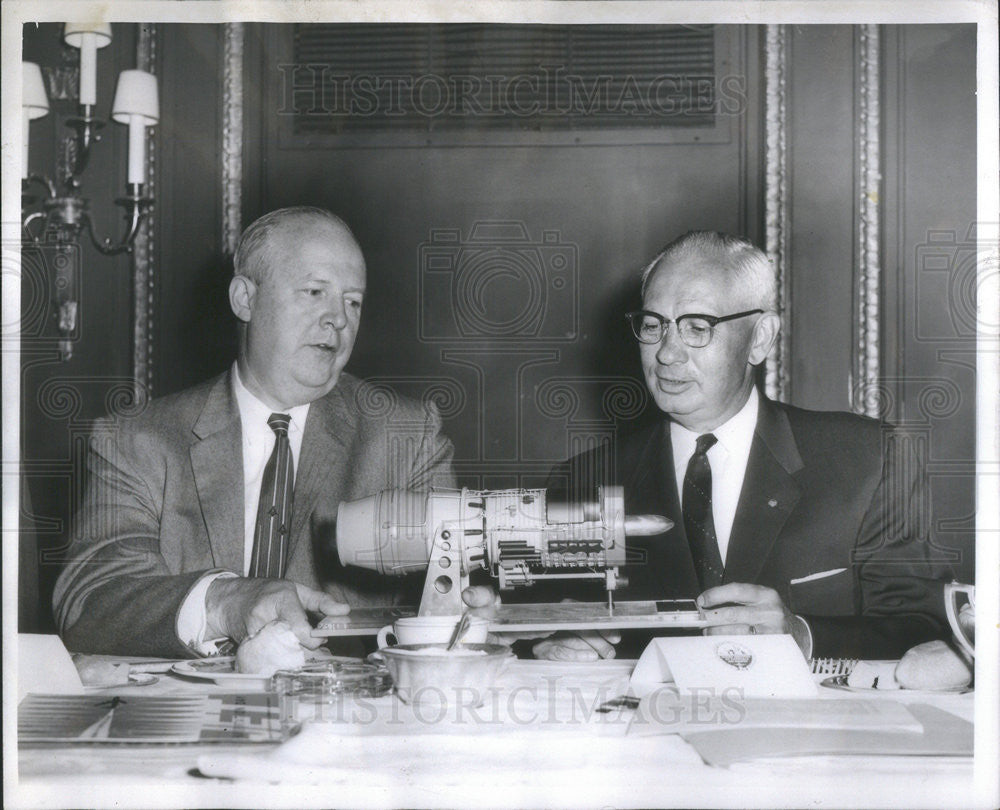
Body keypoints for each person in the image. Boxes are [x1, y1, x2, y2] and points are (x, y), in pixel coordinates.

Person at [53, 207, 456, 657]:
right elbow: (89, 602)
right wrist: (225, 601)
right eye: (314, 291)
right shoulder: (138, 440)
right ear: (244, 298)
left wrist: (464, 606)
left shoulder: (407, 437)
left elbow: (443, 598)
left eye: (353, 301)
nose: (338, 319)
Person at [542, 230, 952, 660]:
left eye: (696, 327)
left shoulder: (869, 460)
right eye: (652, 325)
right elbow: (548, 623)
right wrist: (554, 643)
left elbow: (926, 629)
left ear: (760, 338)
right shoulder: (583, 483)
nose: (667, 353)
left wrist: (803, 635)